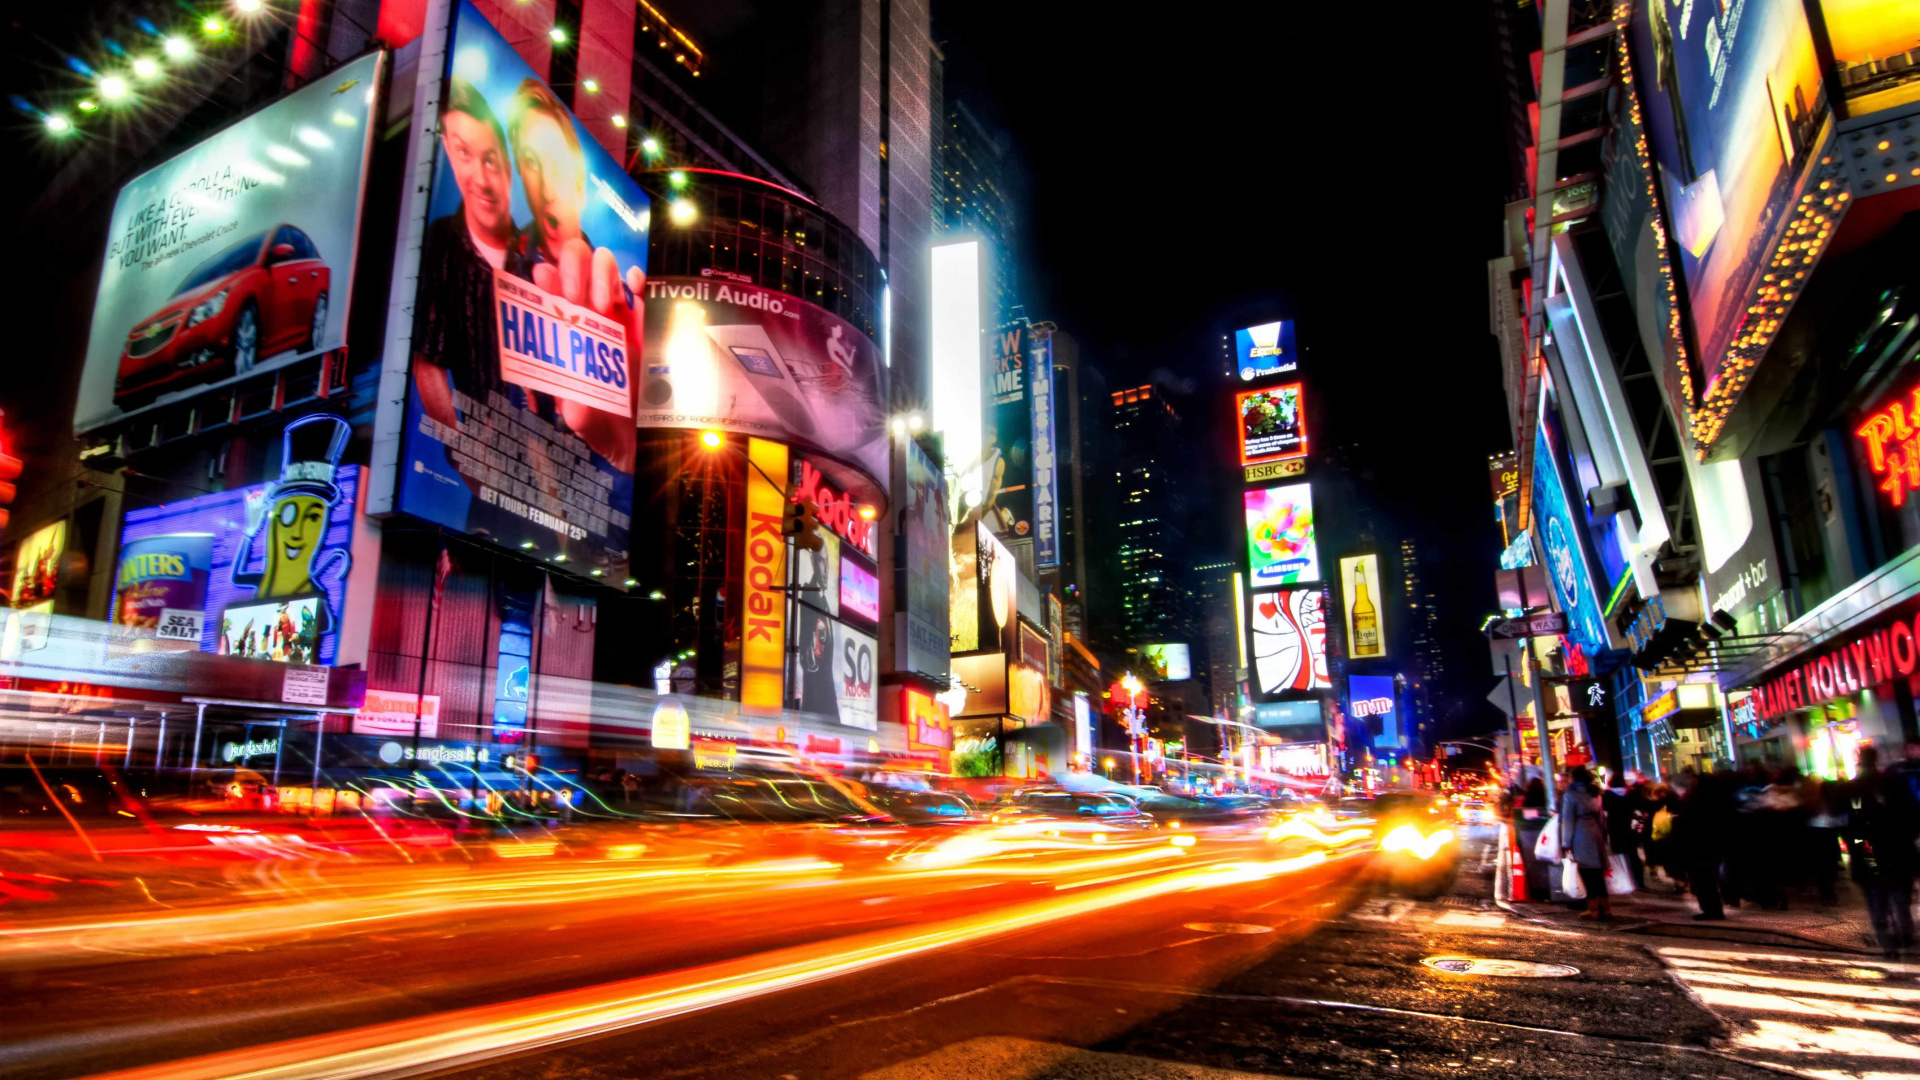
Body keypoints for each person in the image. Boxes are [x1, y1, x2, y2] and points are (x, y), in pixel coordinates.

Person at [1852, 745, 1920, 958]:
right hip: (1898, 847)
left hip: (1869, 849)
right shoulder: (1895, 782)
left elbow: (1854, 822)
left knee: (1877, 896)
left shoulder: (1856, 788)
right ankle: (1905, 932)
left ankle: (1887, 941)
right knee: (1900, 892)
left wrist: (1858, 844)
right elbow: (1912, 813)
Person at [1560, 766, 1612, 919]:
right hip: (1596, 834)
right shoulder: (1595, 792)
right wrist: (1603, 836)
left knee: (1586, 873)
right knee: (1598, 874)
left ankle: (1593, 910)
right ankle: (1606, 909)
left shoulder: (1571, 794)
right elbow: (1602, 817)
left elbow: (1568, 820)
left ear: (1574, 778)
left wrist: (1566, 843)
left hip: (1580, 835)